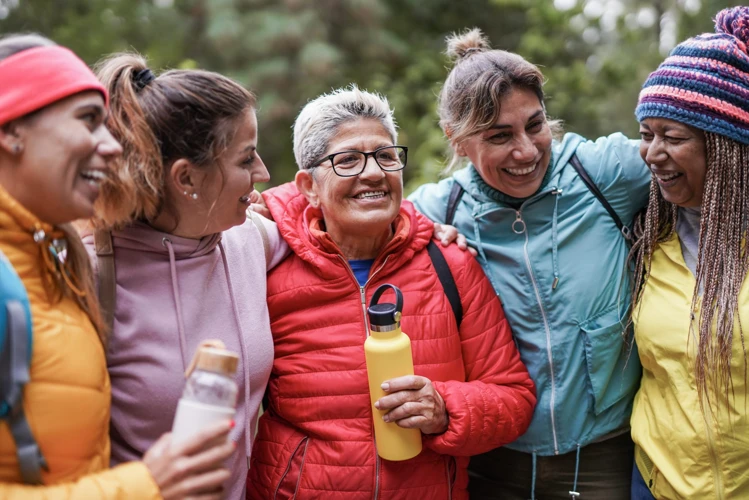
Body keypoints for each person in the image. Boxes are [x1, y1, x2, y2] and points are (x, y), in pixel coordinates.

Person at [246, 86, 536, 499]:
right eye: (347, 160)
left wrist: (445, 409)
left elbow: (514, 398)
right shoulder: (266, 268)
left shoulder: (450, 264)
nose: (373, 174)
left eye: (385, 156)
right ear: (308, 186)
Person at [409, 30, 651, 499]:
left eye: (535, 125)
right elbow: (334, 213)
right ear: (456, 141)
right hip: (494, 463)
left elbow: (696, 149)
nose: (526, 150)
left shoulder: (602, 173)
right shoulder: (438, 211)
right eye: (500, 136)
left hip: (607, 457)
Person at [0, 34, 235, 499]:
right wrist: (145, 485)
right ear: (10, 130)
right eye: (88, 121)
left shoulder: (57, 262)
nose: (111, 146)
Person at [78, 53, 288, 499]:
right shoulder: (89, 272)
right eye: (247, 159)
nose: (264, 174)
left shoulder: (251, 239)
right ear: (187, 177)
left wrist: (431, 228)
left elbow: (328, 221)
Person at [628, 6, 749, 499]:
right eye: (646, 134)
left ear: (726, 148)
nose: (652, 153)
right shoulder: (642, 234)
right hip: (657, 483)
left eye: (672, 137)